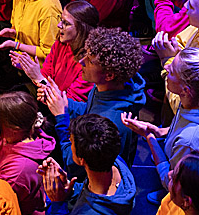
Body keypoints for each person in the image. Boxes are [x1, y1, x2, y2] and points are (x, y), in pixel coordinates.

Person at [122, 47, 199, 191]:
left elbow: (172, 183)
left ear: (185, 90)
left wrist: (149, 137)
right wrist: (160, 131)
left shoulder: (189, 142)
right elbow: (185, 124)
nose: (166, 66)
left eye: (171, 71)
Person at [39, 27, 147, 173]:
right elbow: (90, 110)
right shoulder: (106, 89)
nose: (81, 62)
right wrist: (62, 102)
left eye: (90, 61)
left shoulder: (113, 121)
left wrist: (61, 117)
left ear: (109, 75)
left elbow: (76, 162)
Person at [40, 114, 135, 215]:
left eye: (71, 144)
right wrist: (70, 188)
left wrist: (58, 204)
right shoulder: (117, 164)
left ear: (81, 159)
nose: (69, 146)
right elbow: (92, 190)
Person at [10, 0, 99, 102]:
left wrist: (38, 77)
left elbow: (69, 102)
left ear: (82, 29)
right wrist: (29, 69)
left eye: (66, 23)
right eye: (61, 20)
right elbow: (46, 75)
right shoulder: (61, 44)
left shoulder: (89, 62)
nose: (59, 25)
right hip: (50, 104)